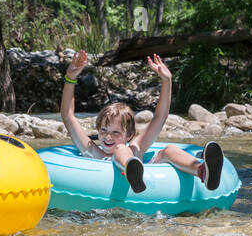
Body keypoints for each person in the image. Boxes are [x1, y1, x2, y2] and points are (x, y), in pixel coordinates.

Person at [61, 50, 224, 193]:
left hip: (145, 174)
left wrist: (166, 81)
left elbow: (160, 117)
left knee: (169, 150)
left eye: (116, 132)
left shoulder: (135, 148)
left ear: (129, 135)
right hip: (126, 176)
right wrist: (70, 78)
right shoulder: (92, 151)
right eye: (103, 130)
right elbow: (68, 116)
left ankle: (202, 171)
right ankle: (130, 167)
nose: (107, 137)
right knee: (120, 149)